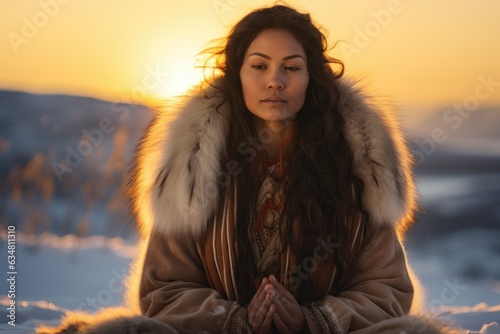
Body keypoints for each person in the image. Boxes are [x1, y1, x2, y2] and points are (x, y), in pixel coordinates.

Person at [37, 4, 462, 334]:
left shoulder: (354, 165)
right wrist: (236, 321)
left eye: (291, 68)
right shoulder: (196, 165)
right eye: (259, 66)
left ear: (312, 78)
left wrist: (312, 320)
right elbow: (164, 288)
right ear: (237, 75)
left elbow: (386, 289)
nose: (275, 81)